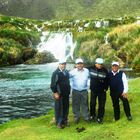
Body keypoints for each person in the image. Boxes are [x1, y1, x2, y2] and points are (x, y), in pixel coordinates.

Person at [50, 59, 70, 129]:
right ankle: (59, 123)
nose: (63, 65)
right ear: (59, 64)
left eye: (64, 64)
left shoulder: (66, 72)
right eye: (62, 64)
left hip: (66, 93)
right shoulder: (55, 73)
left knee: (66, 107)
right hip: (59, 94)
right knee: (59, 108)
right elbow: (52, 85)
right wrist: (55, 93)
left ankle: (65, 120)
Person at [69, 58, 90, 124]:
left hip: (84, 90)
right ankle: (76, 117)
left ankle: (86, 117)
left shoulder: (87, 71)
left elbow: (89, 78)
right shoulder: (72, 72)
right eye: (78, 64)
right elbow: (66, 78)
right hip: (75, 90)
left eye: (81, 63)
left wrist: (88, 86)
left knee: (85, 104)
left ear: (83, 64)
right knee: (75, 104)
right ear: (76, 65)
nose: (79, 65)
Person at [88, 58, 108, 124]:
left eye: (101, 64)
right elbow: (82, 68)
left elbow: (107, 80)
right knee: (92, 103)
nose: (100, 65)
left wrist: (106, 88)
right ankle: (92, 115)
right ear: (95, 63)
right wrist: (75, 67)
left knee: (101, 105)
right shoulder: (91, 68)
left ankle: (100, 117)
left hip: (102, 91)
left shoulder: (105, 70)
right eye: (98, 64)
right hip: (93, 90)